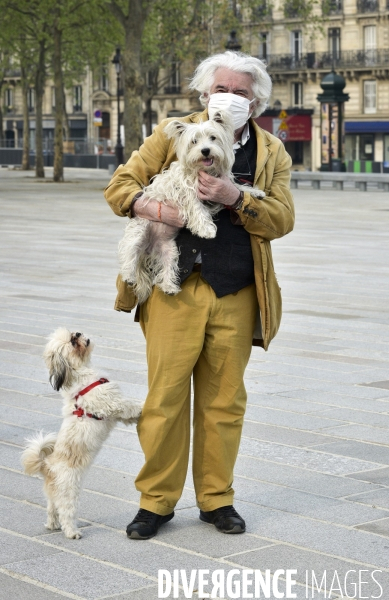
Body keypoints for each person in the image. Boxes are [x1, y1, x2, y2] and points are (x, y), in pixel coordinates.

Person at [104, 51, 295, 540]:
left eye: (241, 93)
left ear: (256, 102)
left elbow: (283, 220)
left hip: (237, 290)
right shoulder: (173, 132)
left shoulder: (272, 151)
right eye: (222, 89)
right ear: (205, 93)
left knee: (225, 402)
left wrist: (236, 198)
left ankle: (216, 500)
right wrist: (152, 207)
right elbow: (119, 186)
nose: (230, 99)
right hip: (174, 289)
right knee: (164, 398)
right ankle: (156, 502)